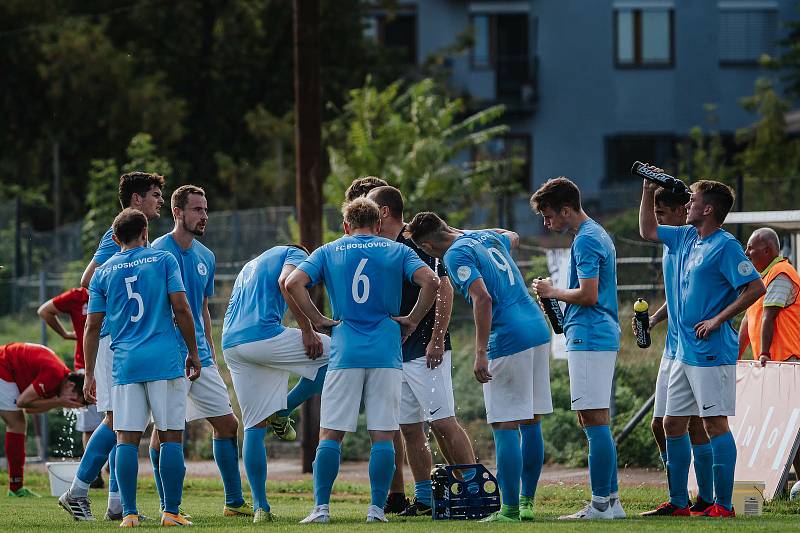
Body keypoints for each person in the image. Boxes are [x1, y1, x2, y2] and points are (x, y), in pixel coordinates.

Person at [285, 197, 439, 524]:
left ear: (346, 225)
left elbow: (292, 282)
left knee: (331, 434)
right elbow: (432, 281)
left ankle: (321, 509)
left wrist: (317, 320)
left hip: (345, 350)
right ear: (379, 225)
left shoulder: (329, 250)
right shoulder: (397, 250)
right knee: (383, 434)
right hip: (386, 350)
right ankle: (375, 510)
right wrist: (411, 319)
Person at [405, 212, 552, 522]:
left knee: (505, 424)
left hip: (509, 336)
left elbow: (482, 298)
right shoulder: (483, 237)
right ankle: (526, 504)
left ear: (429, 246)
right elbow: (512, 234)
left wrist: (481, 352)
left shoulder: (455, 253)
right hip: (537, 330)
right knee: (531, 421)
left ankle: (509, 510)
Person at [640, 177, 765, 518]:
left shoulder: (726, 246)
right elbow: (649, 231)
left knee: (714, 425)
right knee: (672, 424)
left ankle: (723, 506)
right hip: (683, 352)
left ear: (707, 209)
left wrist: (717, 319)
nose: (687, 205)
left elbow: (755, 288)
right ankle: (679, 502)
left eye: (693, 200)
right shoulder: (685, 237)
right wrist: (648, 190)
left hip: (711, 352)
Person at [80, 208, 201, 527]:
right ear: (146, 232)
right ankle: (171, 512)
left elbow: (92, 327)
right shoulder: (163, 260)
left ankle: (129, 513)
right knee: (171, 435)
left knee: (126, 439)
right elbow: (182, 308)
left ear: (116, 238)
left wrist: (90, 373)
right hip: (163, 360)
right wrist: (194, 352)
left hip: (125, 365)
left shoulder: (103, 272)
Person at [60, 171, 165, 521]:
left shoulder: (138, 238)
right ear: (136, 199)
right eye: (153, 194)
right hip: (112, 338)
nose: (159, 201)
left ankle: (116, 505)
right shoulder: (118, 236)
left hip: (124, 340)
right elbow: (88, 278)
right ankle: (76, 491)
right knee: (118, 420)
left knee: (126, 421)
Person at [366, 186, 476, 517]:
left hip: (427, 350)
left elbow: (443, 287)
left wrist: (437, 338)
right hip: (398, 354)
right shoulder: (381, 246)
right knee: (411, 429)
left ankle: (474, 492)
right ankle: (426, 498)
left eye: (369, 208)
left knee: (444, 422)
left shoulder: (414, 241)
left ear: (382, 212)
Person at [151, 185, 251, 519]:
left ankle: (233, 502)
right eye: (197, 209)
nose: (204, 216)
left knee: (227, 424)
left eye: (206, 209)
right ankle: (167, 507)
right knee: (165, 432)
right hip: (168, 357)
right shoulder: (156, 251)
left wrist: (208, 346)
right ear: (177, 213)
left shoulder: (206, 256)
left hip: (201, 358)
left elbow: (202, 307)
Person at [530, 177, 624, 520]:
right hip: (596, 333)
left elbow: (588, 294)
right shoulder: (595, 233)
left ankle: (600, 503)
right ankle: (612, 502)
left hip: (590, 334)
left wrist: (553, 291)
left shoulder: (586, 240)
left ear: (566, 209)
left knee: (592, 418)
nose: (546, 222)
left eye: (548, 215)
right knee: (597, 417)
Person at [222, 244, 330, 523]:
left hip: (232, 345)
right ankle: (283, 411)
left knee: (253, 425)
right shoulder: (296, 253)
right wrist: (308, 328)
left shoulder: (250, 265)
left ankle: (261, 507)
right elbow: (287, 283)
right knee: (339, 354)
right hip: (262, 336)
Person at [638, 187, 714, 516]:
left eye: (663, 215)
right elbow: (678, 294)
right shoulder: (674, 245)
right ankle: (678, 492)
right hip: (673, 346)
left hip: (694, 349)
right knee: (660, 424)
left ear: (682, 213)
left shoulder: (691, 243)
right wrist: (655, 318)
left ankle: (705, 497)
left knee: (695, 424)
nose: (658, 223)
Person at [739, 227, 800, 491]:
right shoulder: (761, 277)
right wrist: (736, 354)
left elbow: (769, 315)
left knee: (794, 431)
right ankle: (786, 486)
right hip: (773, 364)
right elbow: (747, 318)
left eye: (751, 247)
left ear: (767, 249)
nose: (746, 252)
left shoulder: (781, 274)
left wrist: (762, 352)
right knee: (787, 431)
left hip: (787, 361)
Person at [38, 287, 105, 488]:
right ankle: (94, 474)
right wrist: (66, 334)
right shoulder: (78, 296)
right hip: (86, 366)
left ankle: (111, 470)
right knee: (91, 425)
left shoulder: (114, 285)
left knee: (113, 421)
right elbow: (44, 311)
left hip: (115, 363)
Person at [1, 343, 85, 497]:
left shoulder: (60, 380)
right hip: (3, 366)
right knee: (17, 424)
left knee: (18, 423)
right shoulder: (54, 374)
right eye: (74, 400)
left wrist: (58, 401)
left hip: (6, 366)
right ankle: (15, 488)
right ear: (71, 385)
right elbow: (22, 402)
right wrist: (59, 402)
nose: (71, 405)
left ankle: (16, 487)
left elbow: (29, 408)